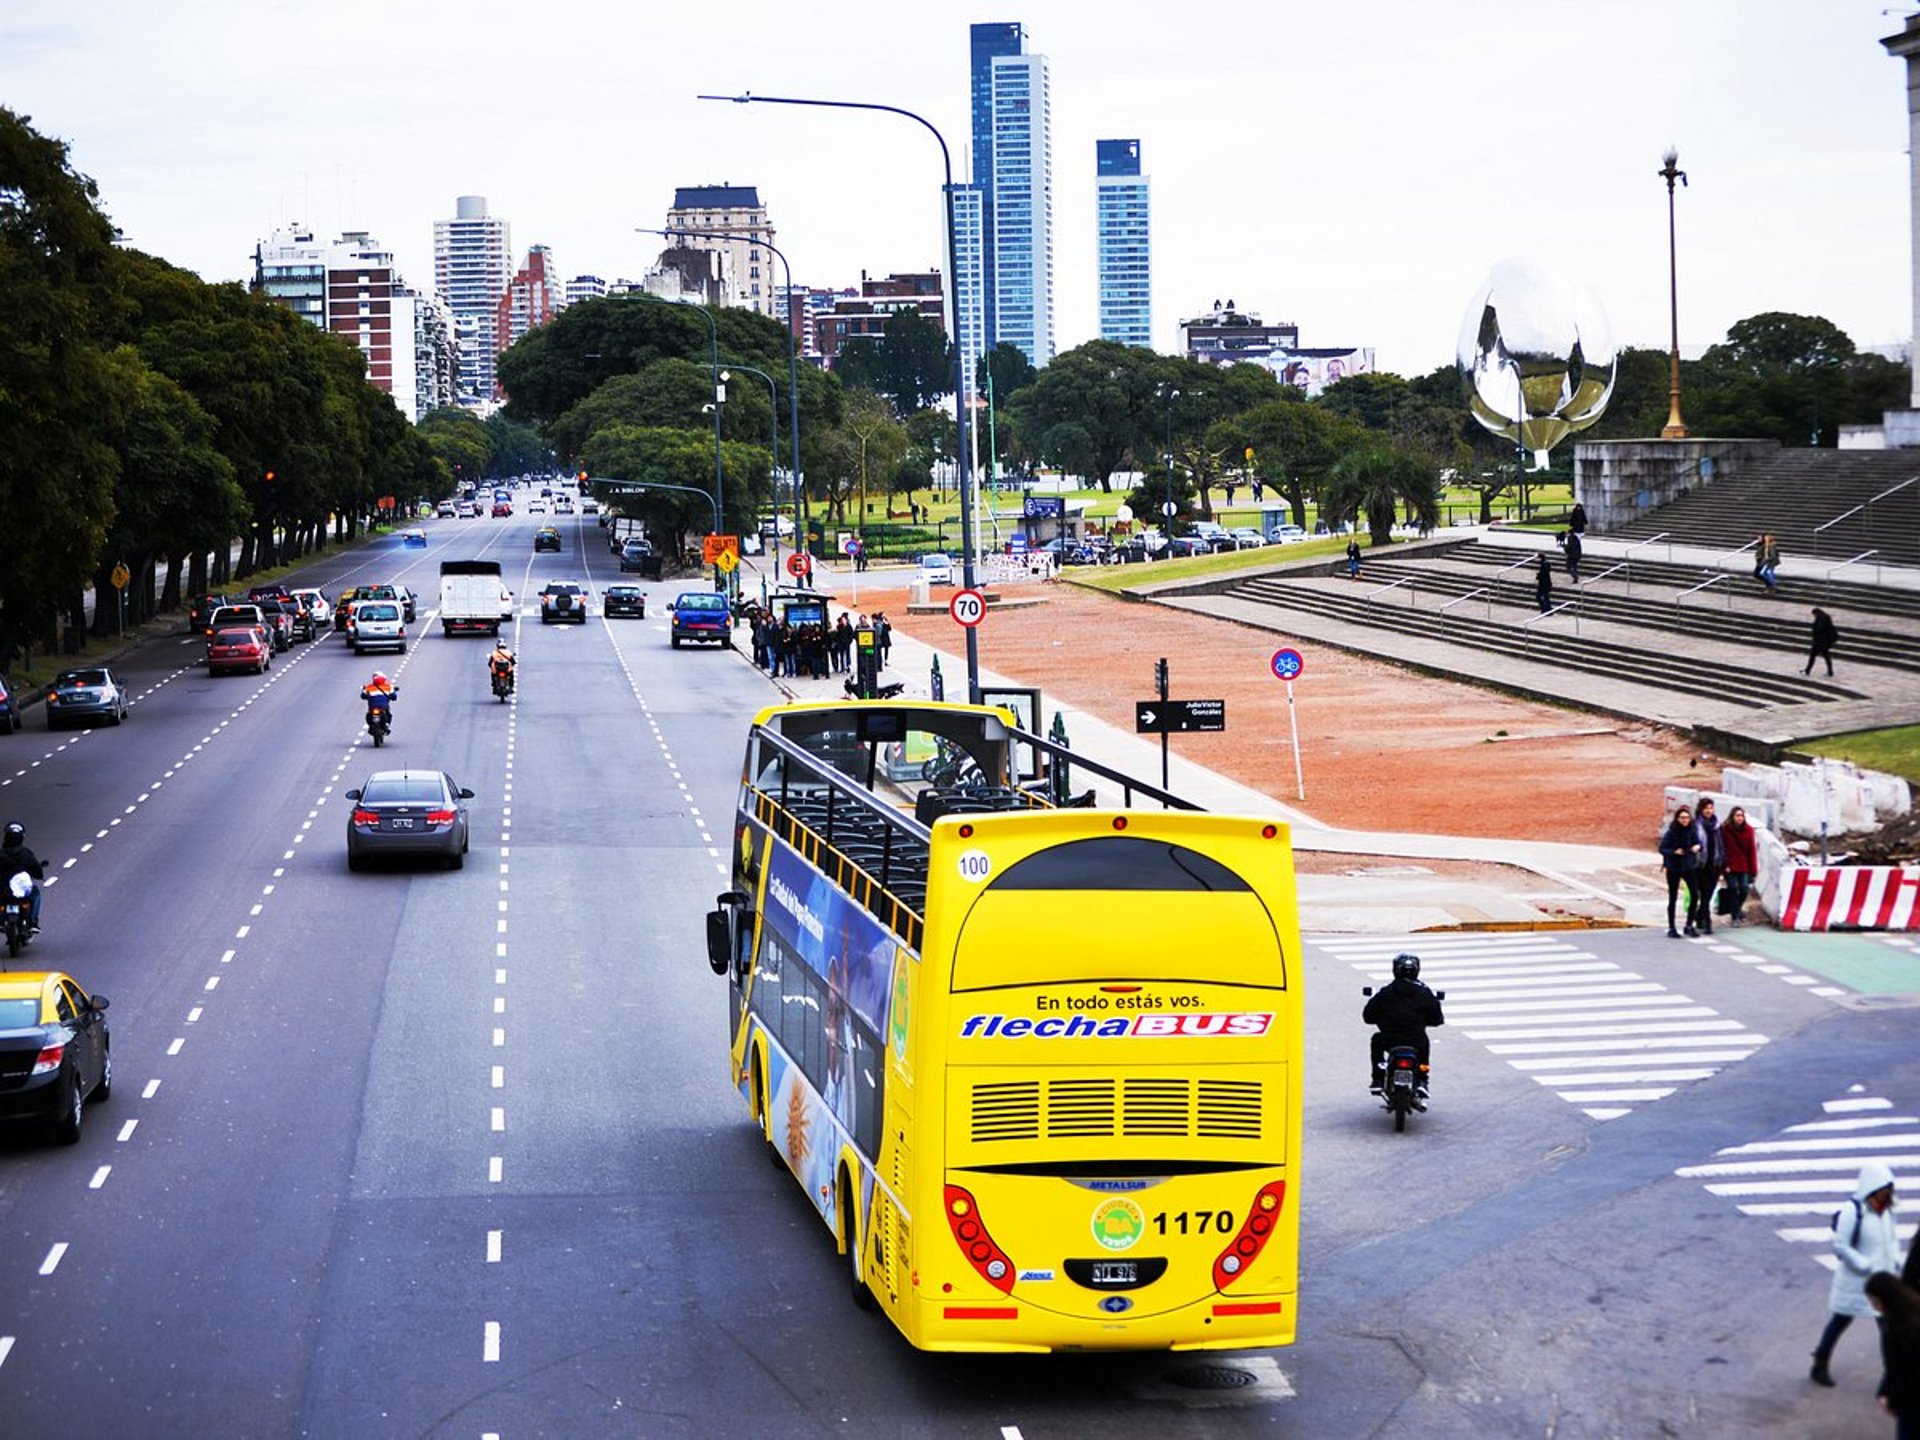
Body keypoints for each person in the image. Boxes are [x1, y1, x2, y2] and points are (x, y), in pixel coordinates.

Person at [1812, 1162, 1902, 1388]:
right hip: (1856, 1282)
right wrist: (1864, 1265)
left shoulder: (1887, 1210)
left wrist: (1895, 1261)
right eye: (1884, 1190)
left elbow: (1891, 1238)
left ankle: (1892, 1374)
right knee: (1841, 1321)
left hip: (1881, 1281)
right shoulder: (1852, 1211)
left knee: (1887, 1327)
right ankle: (1820, 1362)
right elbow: (1841, 1246)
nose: (1887, 1195)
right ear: (1872, 1187)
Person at [1363, 952, 1444, 1096]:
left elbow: (1368, 1016)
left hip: (1389, 1039)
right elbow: (1437, 1019)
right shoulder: (1425, 993)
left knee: (1376, 1040)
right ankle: (1422, 1080)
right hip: (1416, 1040)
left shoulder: (1385, 993)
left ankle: (1378, 1078)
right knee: (1424, 1043)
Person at [1659, 804, 1704, 938]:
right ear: (1677, 819)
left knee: (1695, 895)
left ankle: (1689, 925)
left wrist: (1697, 847)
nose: (1685, 820)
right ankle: (1672, 927)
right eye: (1682, 818)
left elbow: (1698, 843)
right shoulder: (1671, 832)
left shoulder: (1692, 830)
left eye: (1687, 818)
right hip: (1674, 867)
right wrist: (1674, 852)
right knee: (1672, 897)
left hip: (1689, 867)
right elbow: (1662, 848)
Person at [2, 821, 46, 933]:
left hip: (4, 889)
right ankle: (33, 921)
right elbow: (35, 867)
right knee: (35, 894)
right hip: (19, 890)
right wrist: (39, 874)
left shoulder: (1, 853)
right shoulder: (25, 853)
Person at [1720, 805, 1759, 926]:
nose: (1740, 818)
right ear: (1732, 817)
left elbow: (1751, 850)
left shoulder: (1749, 830)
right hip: (1729, 865)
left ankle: (1736, 909)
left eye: (1741, 816)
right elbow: (1722, 848)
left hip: (1744, 865)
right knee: (1732, 888)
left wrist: (1753, 870)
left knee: (1744, 889)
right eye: (1737, 816)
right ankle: (1735, 916)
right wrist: (1723, 865)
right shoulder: (1725, 829)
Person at [1693, 798, 1725, 935]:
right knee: (1705, 894)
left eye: (1711, 808)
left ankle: (1699, 916)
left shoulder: (1717, 826)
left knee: (1708, 894)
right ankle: (1707, 922)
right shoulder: (1695, 825)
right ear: (1701, 809)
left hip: (1715, 864)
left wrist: (1723, 862)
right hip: (1700, 865)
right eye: (1706, 808)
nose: (1709, 811)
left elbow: (1722, 844)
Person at [1805, 607, 1839, 677]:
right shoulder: (1827, 618)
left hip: (1820, 642)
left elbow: (1819, 629)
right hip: (1824, 642)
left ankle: (1808, 670)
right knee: (1826, 657)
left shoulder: (1821, 619)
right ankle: (1830, 671)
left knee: (1813, 656)